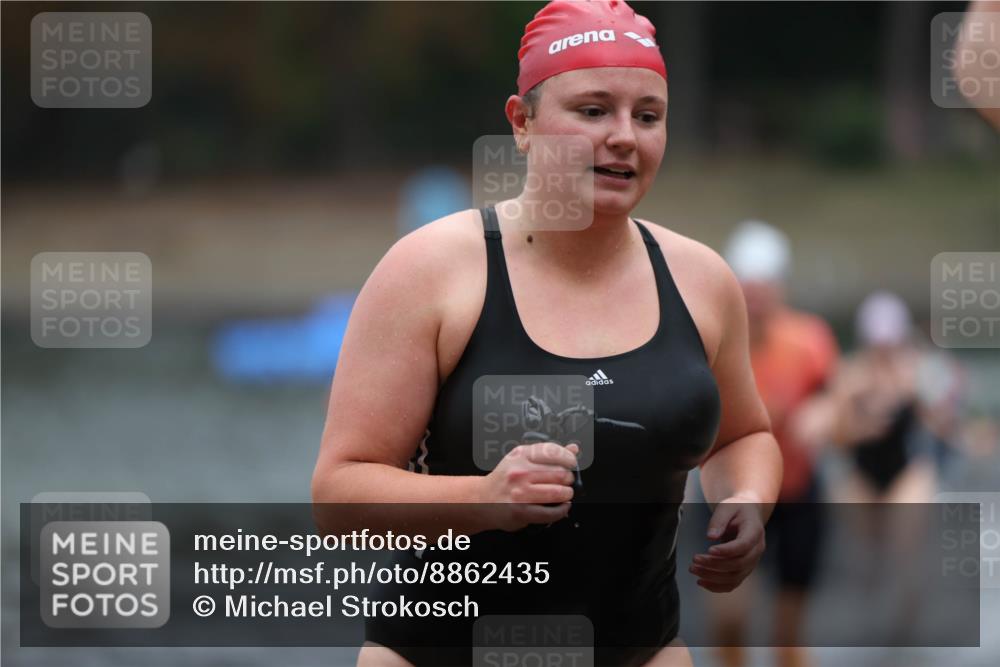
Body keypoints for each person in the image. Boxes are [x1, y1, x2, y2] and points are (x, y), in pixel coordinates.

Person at [311, 2, 782, 665]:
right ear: (522, 123)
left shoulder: (701, 281)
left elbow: (744, 434)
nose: (624, 136)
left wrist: (748, 500)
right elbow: (337, 497)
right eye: (593, 111)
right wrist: (483, 498)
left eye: (647, 116)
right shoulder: (431, 272)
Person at [706, 221, 839, 667]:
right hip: (730, 492)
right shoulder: (715, 339)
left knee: (788, 631)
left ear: (780, 288)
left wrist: (819, 417)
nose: (756, 301)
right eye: (747, 290)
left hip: (796, 492)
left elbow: (830, 399)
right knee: (729, 618)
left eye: (764, 290)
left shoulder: (808, 339)